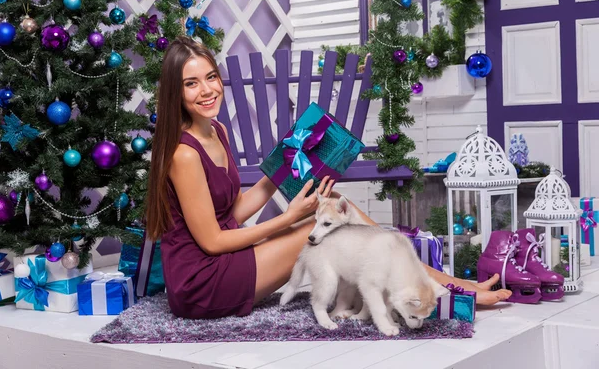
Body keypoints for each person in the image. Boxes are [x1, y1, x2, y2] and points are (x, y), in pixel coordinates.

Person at [145, 36, 512, 320]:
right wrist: (288, 218)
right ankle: (444, 287)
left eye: (211, 77)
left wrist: (289, 162)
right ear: (176, 92)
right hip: (201, 283)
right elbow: (211, 241)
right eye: (191, 83)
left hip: (224, 260)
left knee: (340, 210)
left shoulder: (217, 131)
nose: (207, 90)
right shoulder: (184, 154)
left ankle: (447, 283)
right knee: (326, 233)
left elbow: (234, 211)